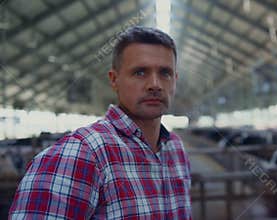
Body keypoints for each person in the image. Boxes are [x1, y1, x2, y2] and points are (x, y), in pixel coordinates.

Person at [9, 26, 192, 219]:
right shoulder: (79, 155)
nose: (155, 84)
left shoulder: (175, 150)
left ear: (175, 80)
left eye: (165, 73)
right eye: (140, 72)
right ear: (114, 80)